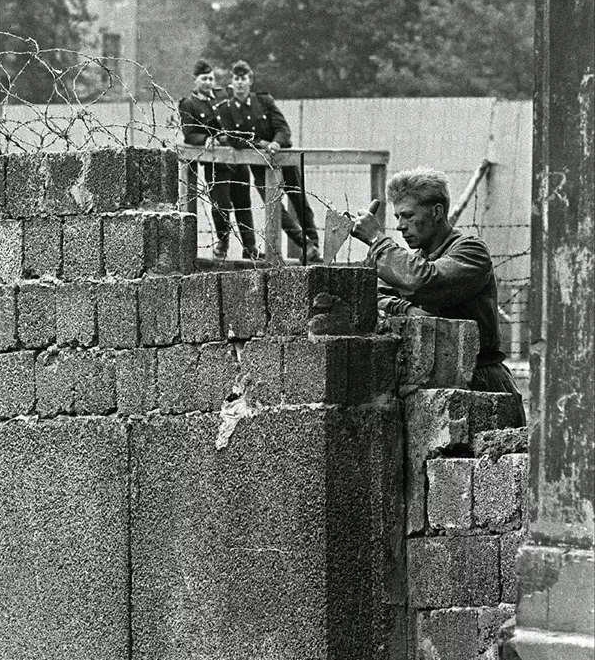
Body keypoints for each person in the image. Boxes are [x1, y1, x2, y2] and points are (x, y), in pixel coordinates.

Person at [351, 167, 526, 425]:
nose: (399, 226)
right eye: (398, 216)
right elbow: (375, 296)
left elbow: (424, 282)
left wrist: (378, 241)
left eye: (408, 216)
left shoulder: (471, 251)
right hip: (430, 382)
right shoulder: (415, 261)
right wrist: (407, 309)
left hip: (481, 382)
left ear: (436, 212)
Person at [225, 60, 321, 263]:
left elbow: (283, 129)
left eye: (243, 79)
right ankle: (305, 244)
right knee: (275, 207)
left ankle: (315, 243)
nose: (240, 83)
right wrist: (260, 144)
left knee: (298, 199)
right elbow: (234, 139)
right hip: (260, 167)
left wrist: (276, 143)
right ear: (231, 82)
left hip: (282, 159)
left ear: (250, 81)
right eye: (236, 79)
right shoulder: (228, 109)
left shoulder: (264, 101)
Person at [178, 59, 259, 261]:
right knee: (221, 205)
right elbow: (189, 134)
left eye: (211, 79)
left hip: (237, 158)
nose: (208, 83)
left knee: (243, 205)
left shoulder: (223, 95)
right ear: (195, 80)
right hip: (216, 163)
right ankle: (223, 243)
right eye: (204, 79)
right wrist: (205, 139)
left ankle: (250, 247)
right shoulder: (189, 104)